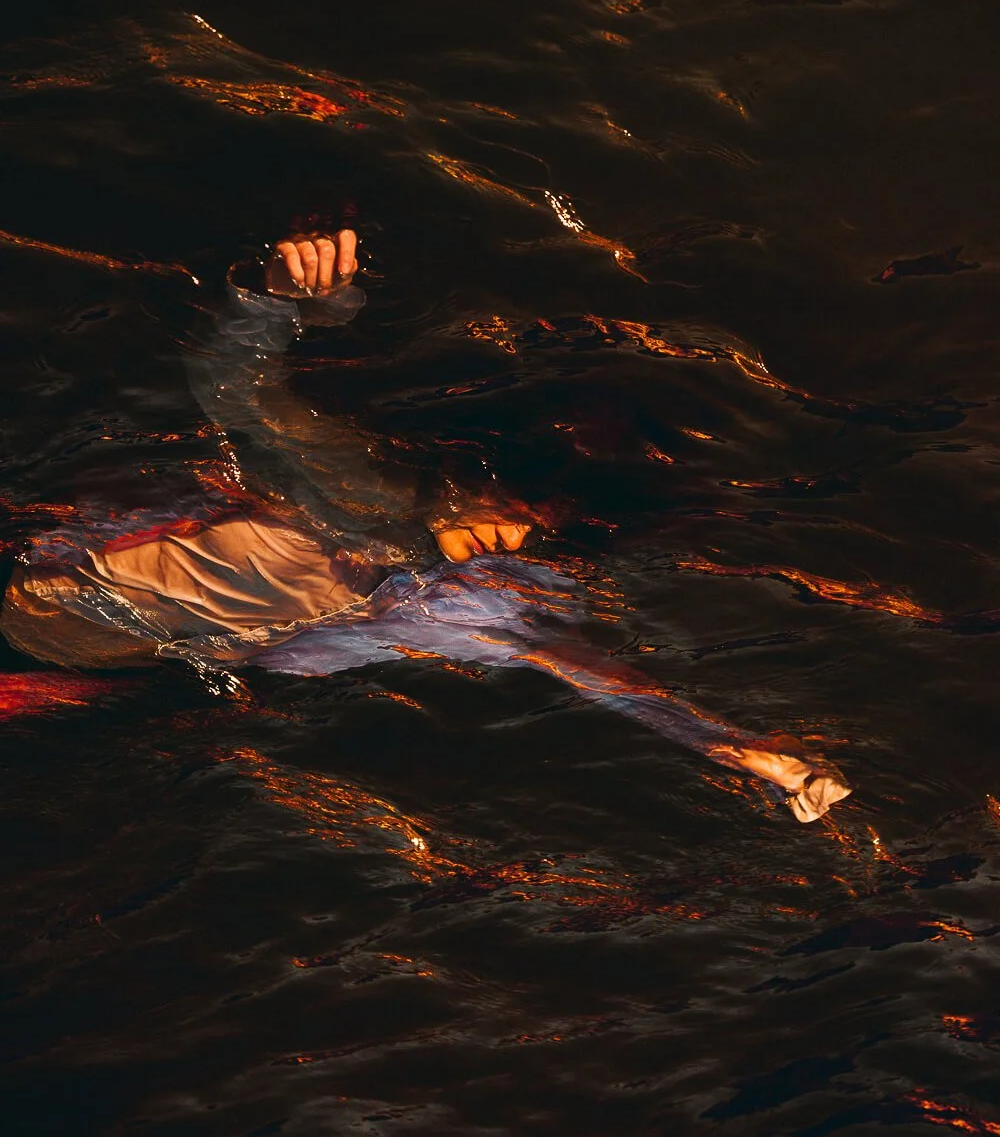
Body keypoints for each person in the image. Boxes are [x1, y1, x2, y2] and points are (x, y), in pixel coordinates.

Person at [1, 230, 851, 823]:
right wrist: (278, 300)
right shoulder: (359, 488)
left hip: (101, 678)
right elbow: (239, 390)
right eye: (519, 501)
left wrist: (745, 753)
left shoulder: (474, 604)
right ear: (479, 477)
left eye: (546, 525)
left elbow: (604, 679)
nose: (517, 532)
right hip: (38, 587)